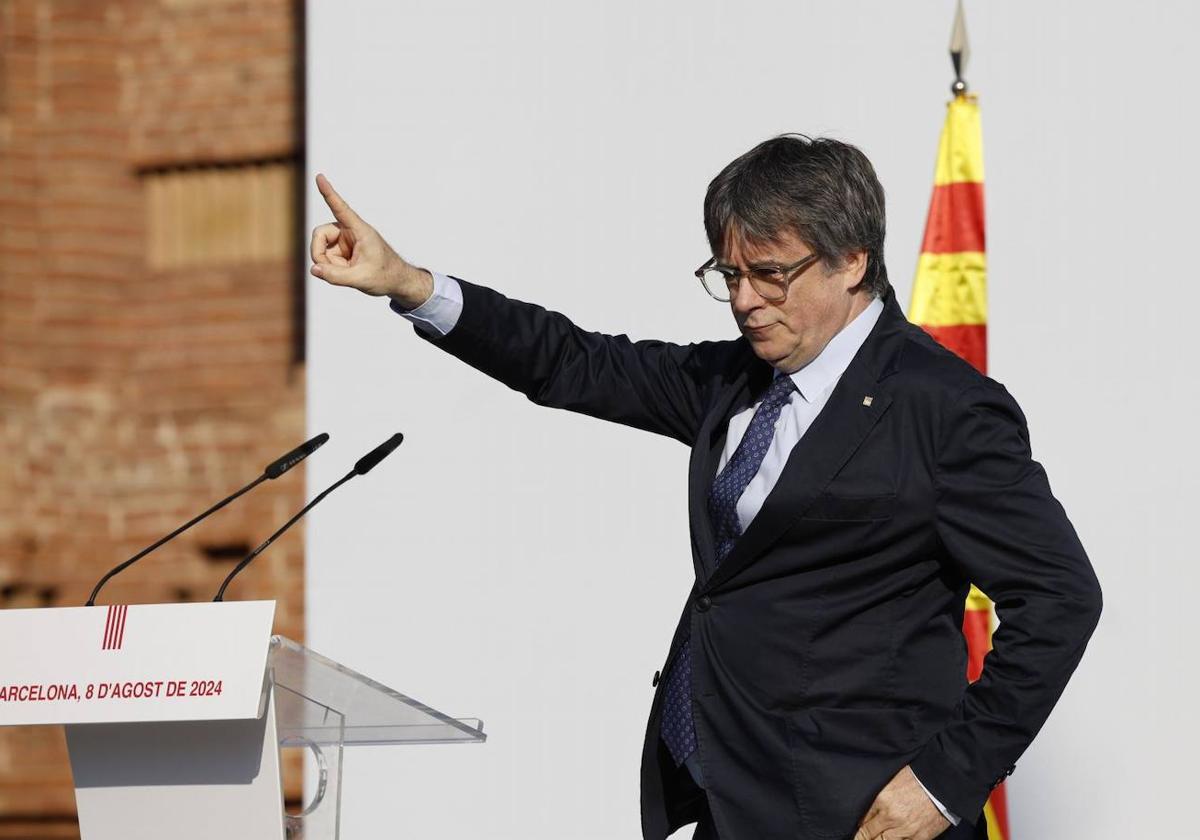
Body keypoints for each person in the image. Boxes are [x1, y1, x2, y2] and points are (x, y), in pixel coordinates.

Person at [309, 135, 1102, 840]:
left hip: (860, 812)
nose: (744, 300)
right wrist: (409, 284)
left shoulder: (941, 407)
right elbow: (572, 362)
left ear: (853, 259)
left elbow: (1061, 599)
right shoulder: (736, 378)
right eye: (728, 274)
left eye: (770, 274)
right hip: (729, 797)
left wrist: (943, 781)